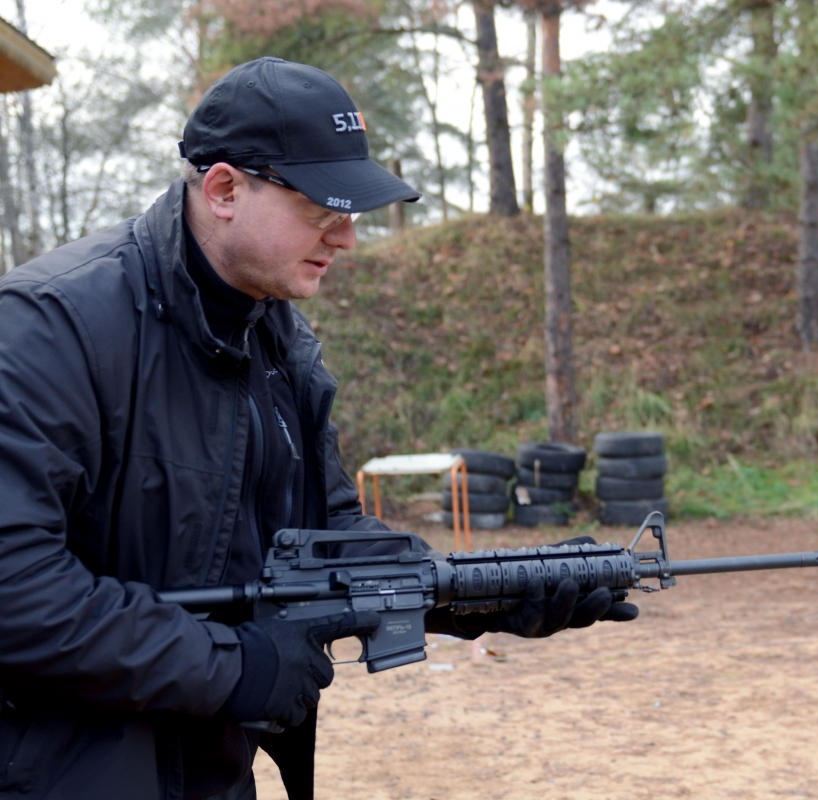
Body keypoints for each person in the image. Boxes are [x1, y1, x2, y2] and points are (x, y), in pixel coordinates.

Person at [0, 58, 635, 800]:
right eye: (324, 210)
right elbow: (15, 587)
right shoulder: (49, 327)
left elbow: (325, 538)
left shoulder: (278, 342)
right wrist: (234, 669)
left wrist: (483, 596)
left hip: (212, 775)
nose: (347, 239)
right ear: (225, 190)